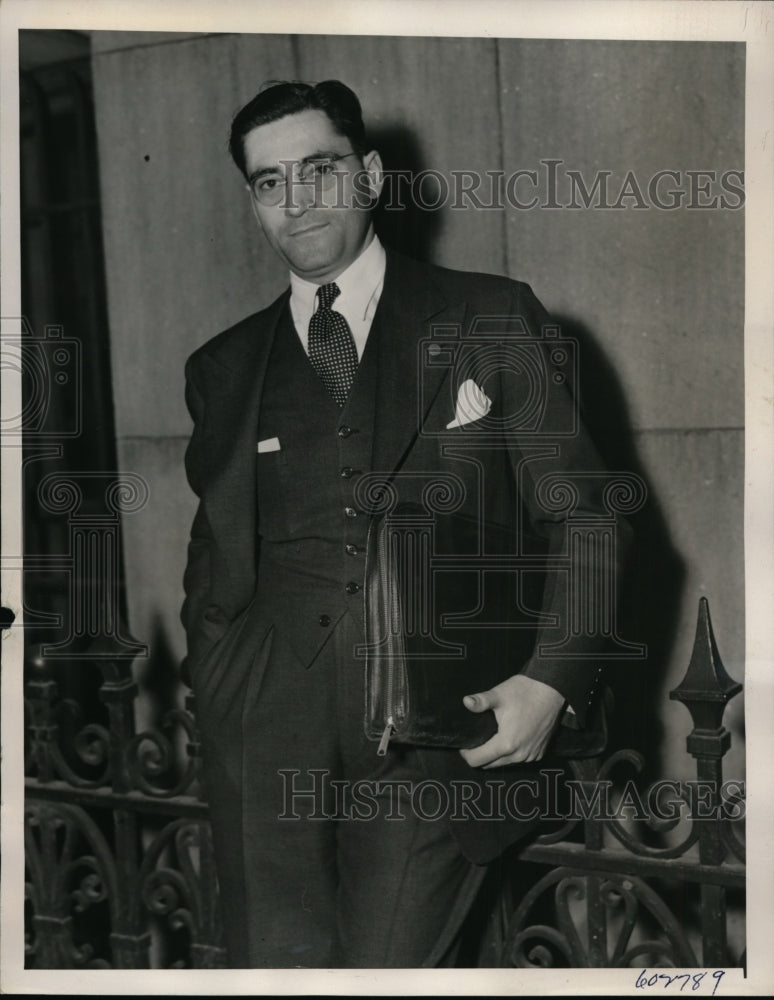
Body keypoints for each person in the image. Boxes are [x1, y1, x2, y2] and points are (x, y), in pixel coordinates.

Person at [181, 79, 624, 968]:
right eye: (269, 182)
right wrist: (218, 681)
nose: (297, 199)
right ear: (253, 202)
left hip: (435, 735)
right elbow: (217, 545)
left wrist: (552, 680)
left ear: (372, 175)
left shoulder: (491, 316)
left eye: (320, 169)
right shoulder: (222, 366)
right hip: (264, 726)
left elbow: (586, 513)